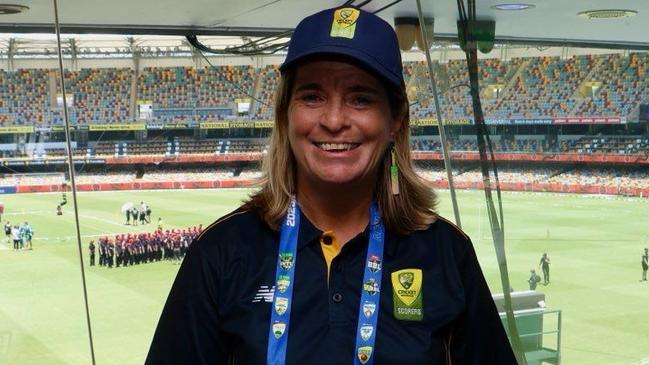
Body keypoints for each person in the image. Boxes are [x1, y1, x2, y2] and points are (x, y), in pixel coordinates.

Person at [146, 6, 516, 365]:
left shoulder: (447, 253)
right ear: (285, 115)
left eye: (361, 98)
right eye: (312, 96)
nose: (335, 120)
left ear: (395, 122)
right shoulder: (220, 253)